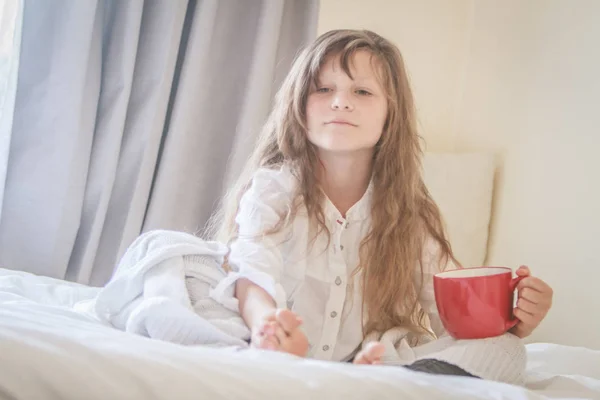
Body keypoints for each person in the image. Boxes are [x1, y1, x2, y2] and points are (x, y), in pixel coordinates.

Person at [206, 29, 553, 382]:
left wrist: (515, 320)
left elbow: (453, 321)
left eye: (362, 91)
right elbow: (251, 268)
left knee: (505, 350)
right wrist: (268, 324)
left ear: (391, 115)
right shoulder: (274, 188)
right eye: (323, 89)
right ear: (299, 106)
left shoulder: (410, 215)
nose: (340, 101)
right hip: (267, 340)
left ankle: (382, 382)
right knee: (168, 258)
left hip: (373, 364)